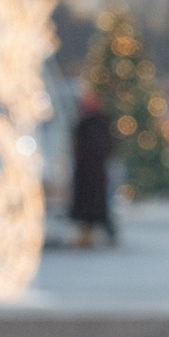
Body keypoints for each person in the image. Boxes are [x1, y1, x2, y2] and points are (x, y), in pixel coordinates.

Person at [68, 89, 116, 249]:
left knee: (97, 208)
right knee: (93, 209)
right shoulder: (86, 123)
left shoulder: (97, 123)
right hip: (88, 173)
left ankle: (101, 235)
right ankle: (87, 236)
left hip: (93, 173)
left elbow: (106, 145)